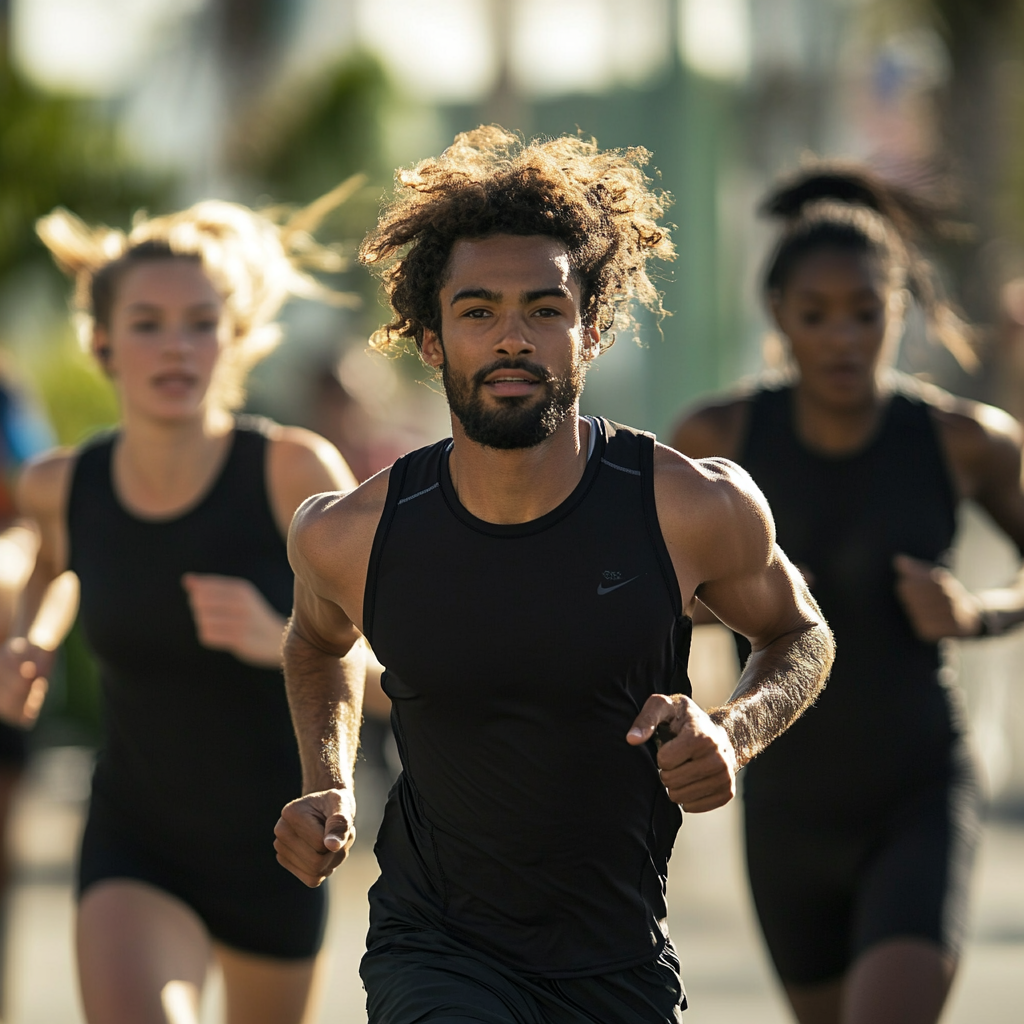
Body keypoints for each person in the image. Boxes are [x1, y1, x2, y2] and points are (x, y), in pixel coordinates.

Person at [272, 126, 835, 1024]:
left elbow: (800, 635)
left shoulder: (688, 507)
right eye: (478, 311)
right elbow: (316, 642)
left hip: (615, 960)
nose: (511, 339)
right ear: (429, 338)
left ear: (593, 327)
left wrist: (735, 731)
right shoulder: (354, 534)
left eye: (544, 309)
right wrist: (328, 778)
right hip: (434, 948)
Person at [671, 165, 1024, 1024]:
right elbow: (655, 591)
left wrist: (976, 614)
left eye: (866, 312)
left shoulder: (962, 442)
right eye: (816, 315)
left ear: (898, 310)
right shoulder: (718, 440)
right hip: (786, 799)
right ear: (779, 316)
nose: (842, 337)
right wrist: (730, 605)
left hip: (917, 788)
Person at [0, 192, 359, 1024]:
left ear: (232, 340)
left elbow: (390, 666)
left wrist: (279, 639)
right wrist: (31, 641)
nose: (176, 345)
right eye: (148, 322)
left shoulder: (294, 474)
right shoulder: (63, 485)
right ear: (103, 343)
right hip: (137, 838)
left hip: (282, 844)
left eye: (200, 323)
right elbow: (49, 573)